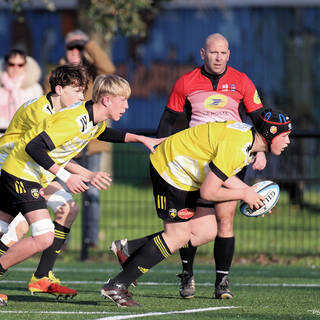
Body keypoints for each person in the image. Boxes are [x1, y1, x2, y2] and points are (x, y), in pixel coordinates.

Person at [110, 33, 267, 300]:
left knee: (223, 221)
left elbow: (261, 121)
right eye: (213, 53)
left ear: (229, 54)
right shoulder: (186, 81)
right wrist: (159, 155)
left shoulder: (241, 81)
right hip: (194, 163)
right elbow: (169, 120)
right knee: (187, 222)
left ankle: (222, 283)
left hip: (228, 159)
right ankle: (187, 275)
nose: (219, 58)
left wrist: (261, 153)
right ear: (202, 54)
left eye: (224, 53)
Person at [0, 74, 164, 306]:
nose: (127, 105)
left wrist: (140, 138)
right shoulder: (75, 120)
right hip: (22, 173)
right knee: (44, 236)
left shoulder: (91, 117)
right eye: (123, 100)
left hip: (26, 173)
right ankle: (38, 276)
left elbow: (104, 133)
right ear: (106, 100)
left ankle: (42, 276)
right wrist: (68, 176)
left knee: (3, 226)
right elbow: (33, 146)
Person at [101, 108, 292, 307]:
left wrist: (256, 197)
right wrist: (245, 194)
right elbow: (208, 193)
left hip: (187, 171)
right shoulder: (237, 146)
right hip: (171, 167)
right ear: (270, 133)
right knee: (178, 235)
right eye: (285, 135)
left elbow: (223, 176)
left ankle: (129, 249)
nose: (288, 141)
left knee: (204, 231)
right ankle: (116, 285)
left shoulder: (246, 141)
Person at [0, 64, 101, 301]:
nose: (81, 96)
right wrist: (76, 174)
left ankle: (42, 277)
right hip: (14, 168)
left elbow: (50, 157)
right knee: (19, 226)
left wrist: (85, 173)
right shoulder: (41, 112)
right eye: (76, 90)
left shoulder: (59, 111)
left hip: (33, 170)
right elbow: (37, 151)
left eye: (82, 90)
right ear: (59, 89)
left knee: (68, 209)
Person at [44, 29, 116, 248]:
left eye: (79, 47)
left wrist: (90, 45)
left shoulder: (94, 71)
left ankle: (90, 242)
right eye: (71, 47)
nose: (75, 51)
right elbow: (48, 104)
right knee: (64, 193)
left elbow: (110, 70)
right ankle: (61, 242)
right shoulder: (56, 72)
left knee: (92, 194)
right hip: (65, 144)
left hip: (91, 144)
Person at [0, 49, 43, 130]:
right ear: (6, 65)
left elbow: (37, 114)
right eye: (11, 64)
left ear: (25, 66)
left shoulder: (34, 88)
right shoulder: (1, 87)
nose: (16, 68)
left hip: (24, 133)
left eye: (20, 65)